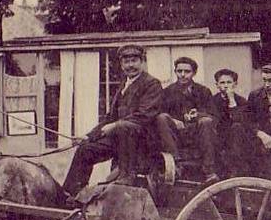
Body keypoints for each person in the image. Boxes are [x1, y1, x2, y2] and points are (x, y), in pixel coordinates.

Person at [62, 44, 162, 197]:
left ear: (142, 62)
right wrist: (89, 136)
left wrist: (115, 126)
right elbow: (110, 118)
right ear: (121, 65)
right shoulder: (124, 85)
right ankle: (72, 193)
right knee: (85, 149)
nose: (130, 65)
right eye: (126, 62)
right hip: (120, 140)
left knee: (125, 126)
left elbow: (145, 115)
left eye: (134, 61)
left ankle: (127, 176)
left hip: (142, 142)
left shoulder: (151, 84)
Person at [155, 57, 219, 183]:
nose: (183, 75)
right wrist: (173, 120)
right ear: (175, 72)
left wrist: (198, 115)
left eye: (187, 71)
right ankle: (176, 164)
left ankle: (209, 172)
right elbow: (158, 112)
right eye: (179, 71)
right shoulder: (167, 92)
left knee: (206, 121)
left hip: (198, 135)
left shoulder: (203, 91)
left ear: (194, 73)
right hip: (175, 136)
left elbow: (214, 116)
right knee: (161, 118)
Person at [211, 68, 252, 177]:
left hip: (237, 139)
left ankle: (234, 170)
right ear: (217, 85)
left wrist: (232, 100)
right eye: (222, 82)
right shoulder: (212, 101)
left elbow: (240, 121)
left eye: (229, 82)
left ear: (235, 84)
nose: (225, 85)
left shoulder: (242, 102)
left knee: (237, 127)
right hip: (218, 138)